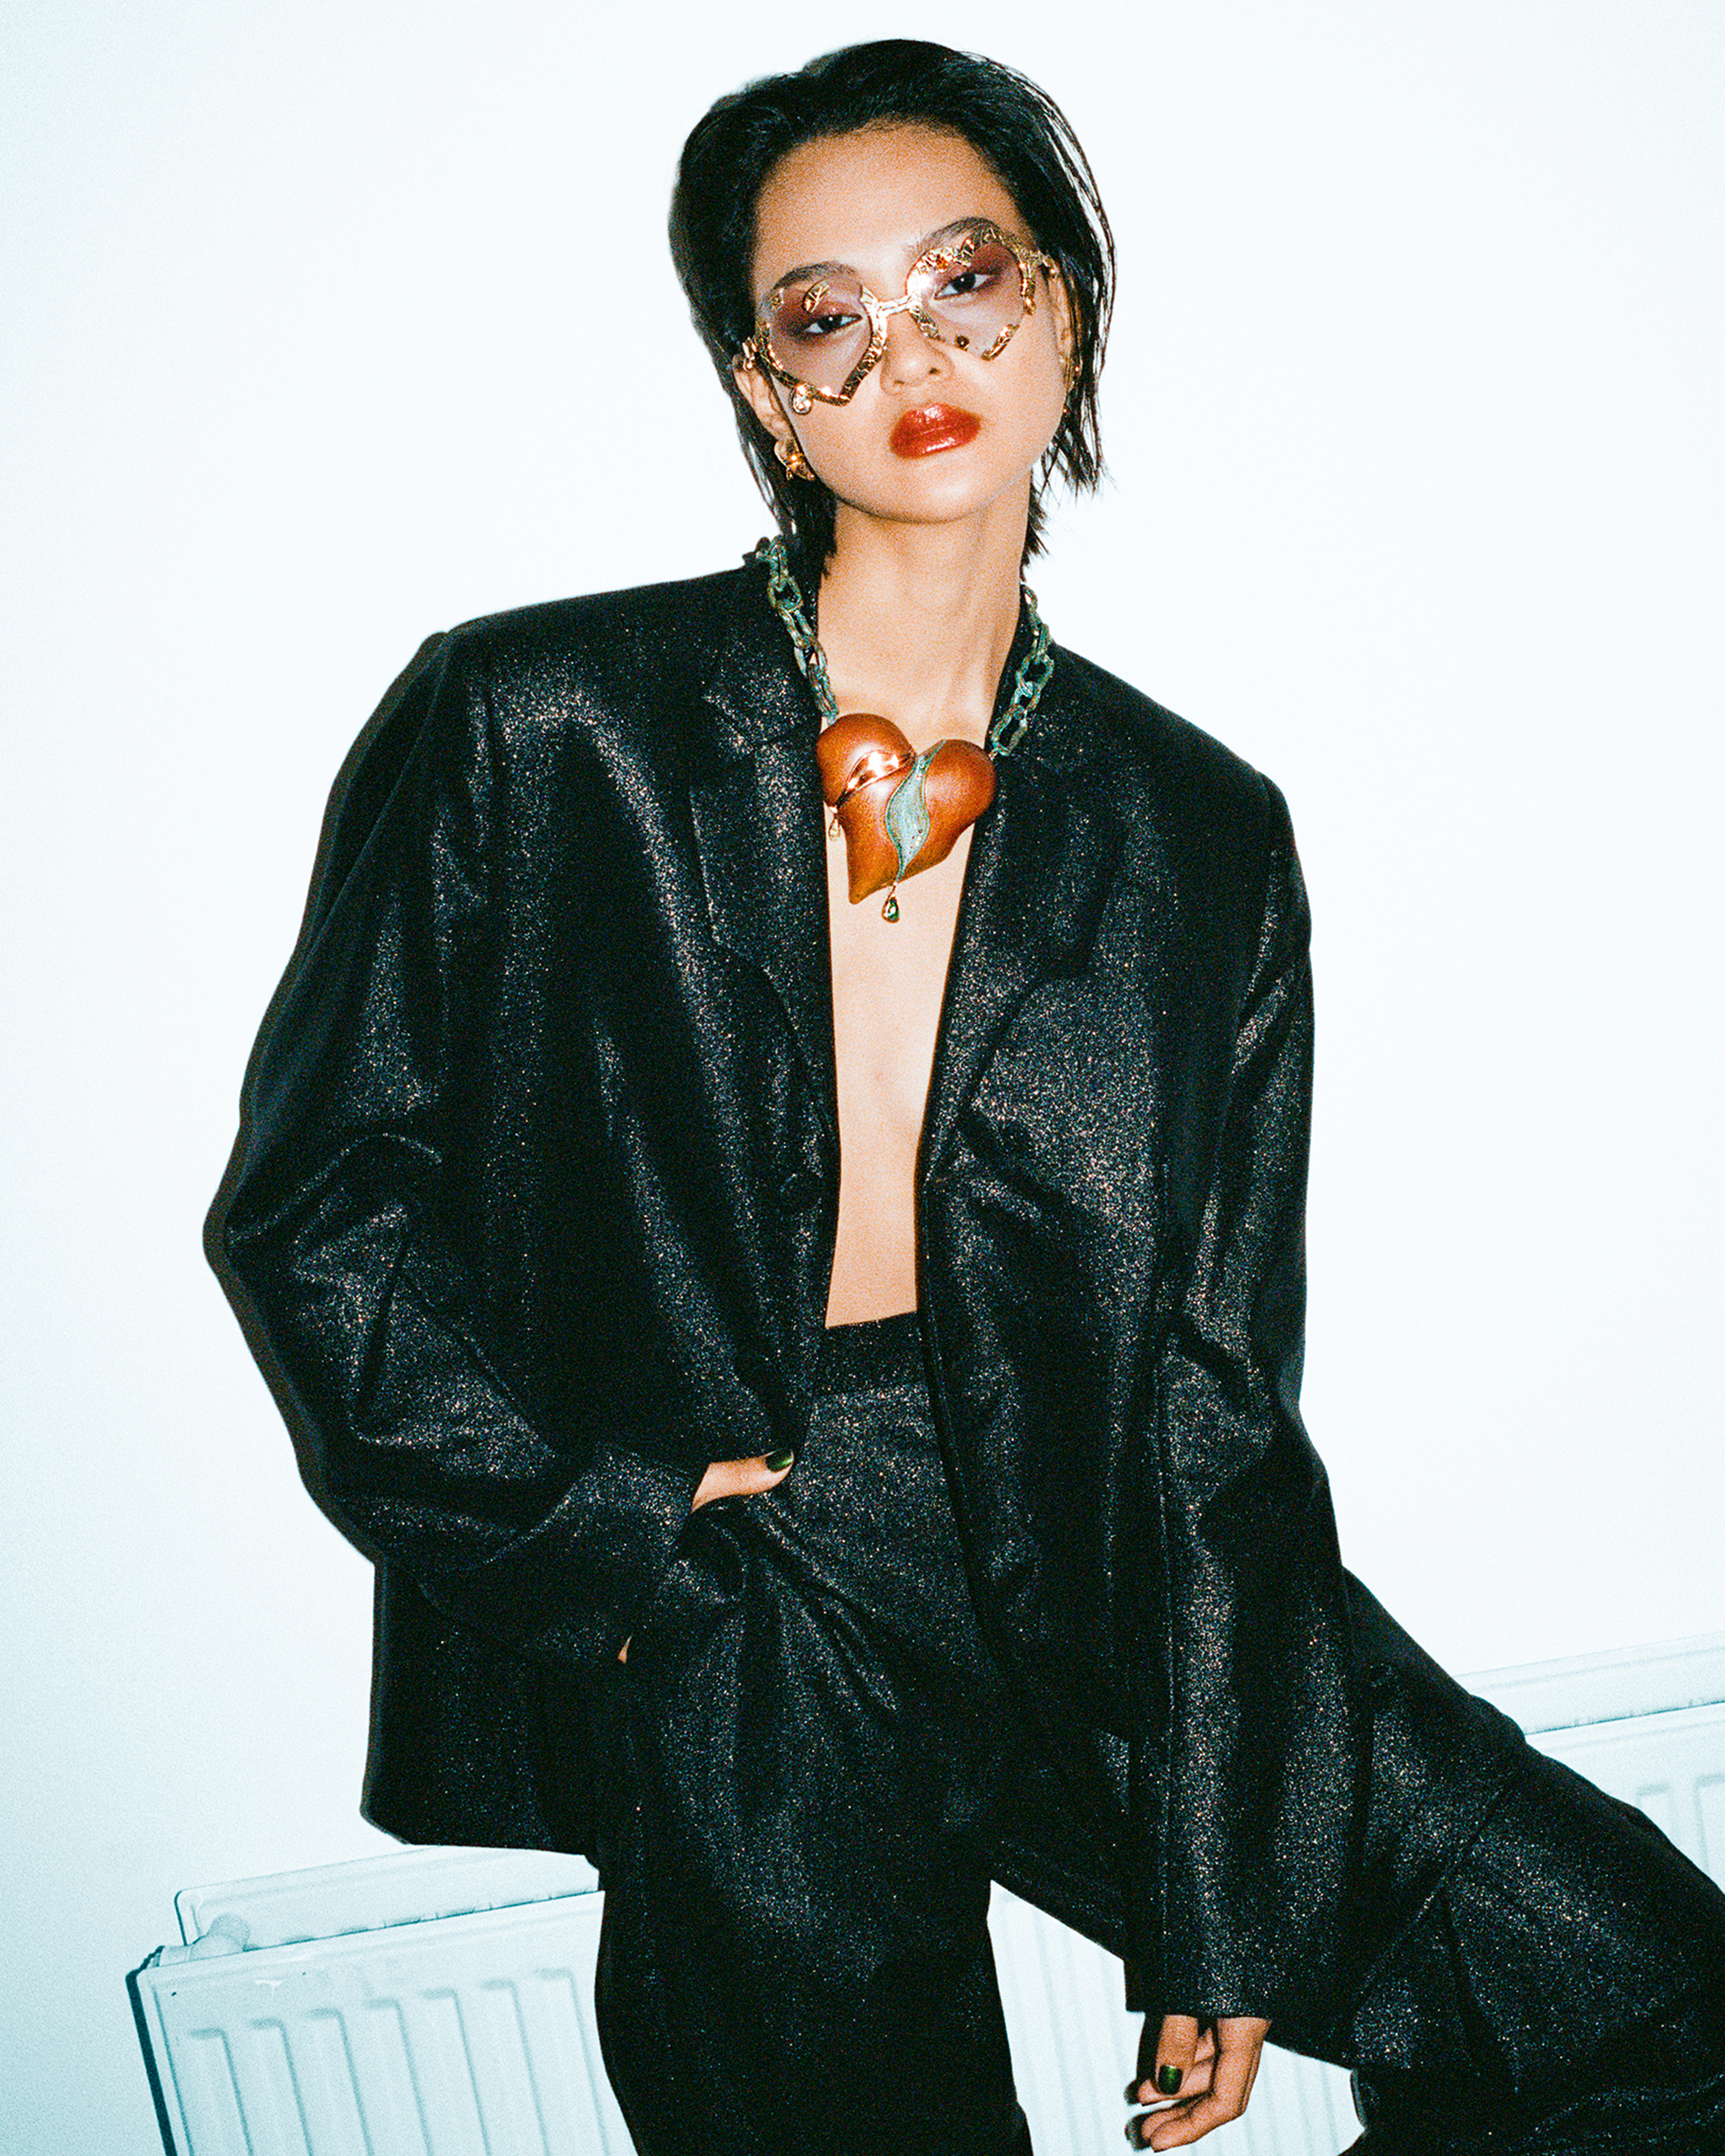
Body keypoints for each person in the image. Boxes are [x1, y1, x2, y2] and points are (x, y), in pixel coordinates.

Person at [209, 38, 1725, 2156]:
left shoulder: (1196, 828)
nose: (908, 352)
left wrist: (1223, 1879)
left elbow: (1210, 1386)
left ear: (1064, 311)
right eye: (826, 316)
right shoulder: (542, 721)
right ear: (767, 393)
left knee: (1647, 2004)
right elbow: (319, 1198)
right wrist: (608, 1529)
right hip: (749, 1562)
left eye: (965, 278)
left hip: (1101, 1542)